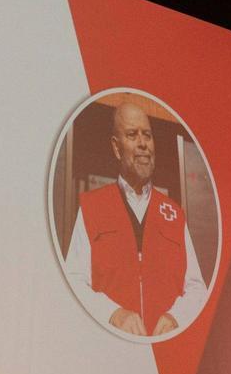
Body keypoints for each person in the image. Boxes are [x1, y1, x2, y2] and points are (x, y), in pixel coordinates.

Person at [65, 100, 207, 337]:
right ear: (116, 147)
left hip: (163, 350)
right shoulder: (92, 207)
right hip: (110, 345)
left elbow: (196, 288)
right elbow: (74, 282)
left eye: (147, 135)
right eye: (132, 135)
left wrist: (176, 316)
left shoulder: (174, 214)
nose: (143, 144)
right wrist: (113, 314)